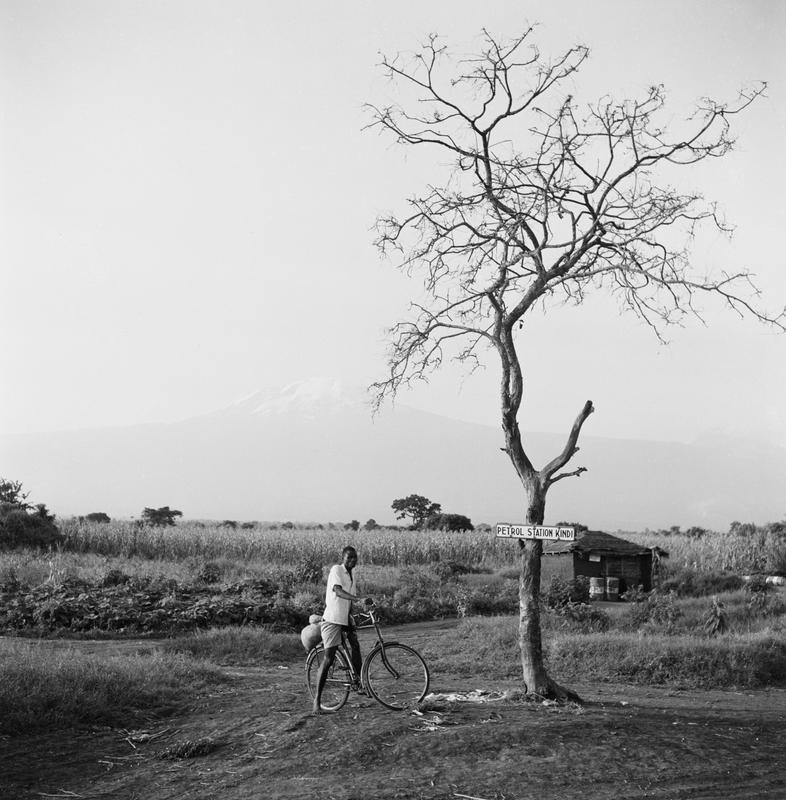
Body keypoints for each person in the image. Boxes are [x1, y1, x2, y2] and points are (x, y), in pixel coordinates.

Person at [312, 545, 372, 714]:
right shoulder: (336, 570)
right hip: (332, 619)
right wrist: (357, 599)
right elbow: (338, 591)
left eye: (355, 557)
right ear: (343, 557)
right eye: (349, 557)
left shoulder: (353, 574)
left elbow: (350, 601)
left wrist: (354, 614)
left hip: (344, 618)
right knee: (329, 659)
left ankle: (358, 682)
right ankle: (317, 701)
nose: (352, 560)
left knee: (356, 645)